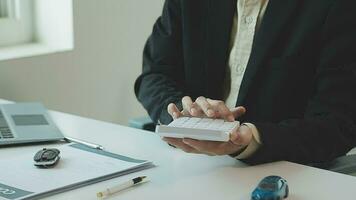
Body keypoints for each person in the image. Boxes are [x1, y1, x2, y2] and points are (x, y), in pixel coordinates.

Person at [134, 0, 356, 165]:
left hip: (282, 170)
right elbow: (155, 74)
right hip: (187, 165)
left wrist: (253, 138)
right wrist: (184, 114)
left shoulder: (338, 7)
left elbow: (339, 121)